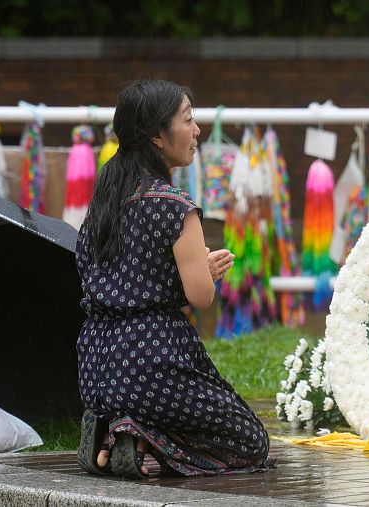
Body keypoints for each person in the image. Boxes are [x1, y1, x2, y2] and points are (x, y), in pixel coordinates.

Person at [75, 79, 272, 478]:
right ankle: (136, 428)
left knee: (167, 406)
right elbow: (200, 297)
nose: (197, 130)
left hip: (96, 363)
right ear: (157, 138)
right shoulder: (175, 207)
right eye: (188, 120)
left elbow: (117, 278)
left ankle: (115, 426)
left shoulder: (103, 205)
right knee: (252, 443)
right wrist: (205, 272)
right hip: (153, 361)